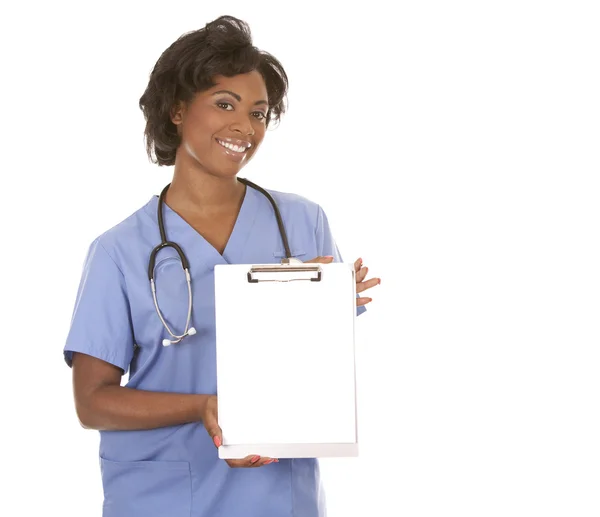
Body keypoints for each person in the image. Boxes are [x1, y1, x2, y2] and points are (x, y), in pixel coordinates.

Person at [64, 14, 380, 517]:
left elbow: (314, 368)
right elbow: (93, 402)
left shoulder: (301, 222)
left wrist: (323, 305)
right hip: (162, 494)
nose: (244, 127)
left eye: (259, 112)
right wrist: (202, 406)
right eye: (224, 104)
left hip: (277, 494)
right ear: (176, 109)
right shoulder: (119, 251)